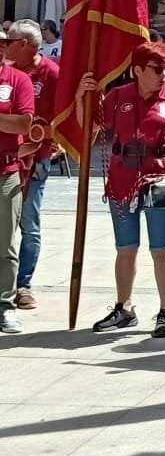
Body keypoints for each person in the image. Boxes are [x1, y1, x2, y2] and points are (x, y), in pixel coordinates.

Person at [77, 41, 165, 338]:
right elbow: (89, 132)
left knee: (161, 250)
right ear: (137, 70)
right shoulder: (118, 96)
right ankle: (124, 308)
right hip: (122, 181)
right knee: (125, 248)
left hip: (162, 181)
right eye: (157, 69)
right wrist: (80, 99)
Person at [5, 19, 61, 308]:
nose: (5, 46)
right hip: (7, 158)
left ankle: (23, 285)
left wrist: (38, 134)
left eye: (9, 41)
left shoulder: (51, 73)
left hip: (36, 159)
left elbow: (63, 120)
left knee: (29, 222)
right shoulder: (7, 73)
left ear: (24, 45)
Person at [0, 46, 35, 335]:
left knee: (5, 244)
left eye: (2, 44)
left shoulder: (17, 80)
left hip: (5, 172)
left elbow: (23, 123)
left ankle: (5, 306)